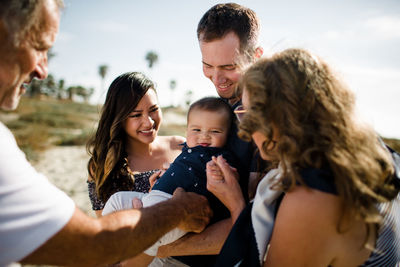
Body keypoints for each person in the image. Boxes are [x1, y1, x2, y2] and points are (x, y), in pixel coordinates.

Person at [0, 0, 212, 266]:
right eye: (39, 46)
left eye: (153, 110)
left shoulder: (183, 147)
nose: (42, 70)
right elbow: (94, 242)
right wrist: (175, 210)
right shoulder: (103, 164)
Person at [206, 48, 400, 266]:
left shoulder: (311, 198)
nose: (246, 132)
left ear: (284, 116)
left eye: (252, 116)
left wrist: (236, 205)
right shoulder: (377, 159)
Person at [155, 4, 264, 264]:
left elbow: (255, 225)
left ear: (256, 56)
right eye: (207, 65)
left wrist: (146, 247)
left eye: (228, 66)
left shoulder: (263, 118)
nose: (217, 78)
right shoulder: (220, 109)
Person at [103, 97, 238, 266]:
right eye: (196, 129)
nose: (204, 136)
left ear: (228, 135)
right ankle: (104, 253)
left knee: (149, 236)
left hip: (184, 211)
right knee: (117, 200)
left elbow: (227, 182)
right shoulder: (185, 147)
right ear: (187, 129)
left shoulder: (222, 158)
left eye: (215, 132)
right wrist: (167, 176)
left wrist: (219, 175)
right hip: (154, 197)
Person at [86, 71, 185, 217]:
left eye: (154, 110)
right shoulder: (101, 165)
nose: (149, 122)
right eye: (136, 115)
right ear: (119, 119)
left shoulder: (180, 147)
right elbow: (106, 230)